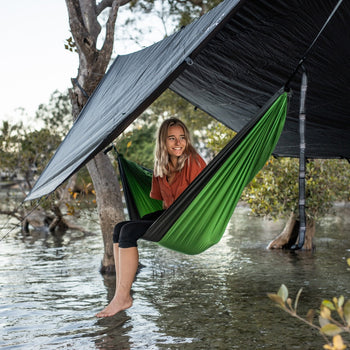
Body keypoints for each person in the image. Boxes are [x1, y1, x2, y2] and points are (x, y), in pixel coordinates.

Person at [96, 118, 206, 318]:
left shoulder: (194, 161)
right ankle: (120, 293)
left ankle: (123, 297)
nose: (178, 143)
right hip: (170, 216)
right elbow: (161, 200)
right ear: (163, 141)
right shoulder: (160, 167)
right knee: (120, 228)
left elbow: (205, 196)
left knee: (129, 231)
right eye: (171, 138)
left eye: (182, 138)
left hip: (189, 220)